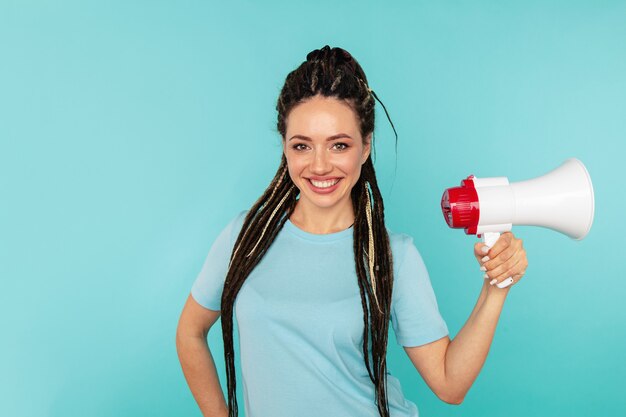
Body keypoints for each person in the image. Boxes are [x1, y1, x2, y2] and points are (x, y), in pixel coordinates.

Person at [175, 45, 528, 417]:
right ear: (285, 148)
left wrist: (495, 288)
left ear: (365, 147)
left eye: (339, 145)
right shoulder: (244, 240)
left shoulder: (394, 256)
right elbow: (190, 333)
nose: (320, 165)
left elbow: (449, 383)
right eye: (302, 146)